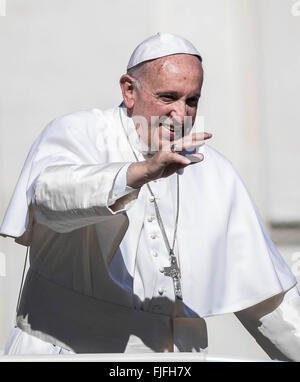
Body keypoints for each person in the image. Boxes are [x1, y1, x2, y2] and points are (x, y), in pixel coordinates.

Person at [1, 32, 300, 360]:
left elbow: (265, 298)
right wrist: (138, 174)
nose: (180, 113)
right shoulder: (78, 133)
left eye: (192, 100)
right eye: (168, 97)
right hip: (68, 351)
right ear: (129, 90)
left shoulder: (214, 171)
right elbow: (49, 198)